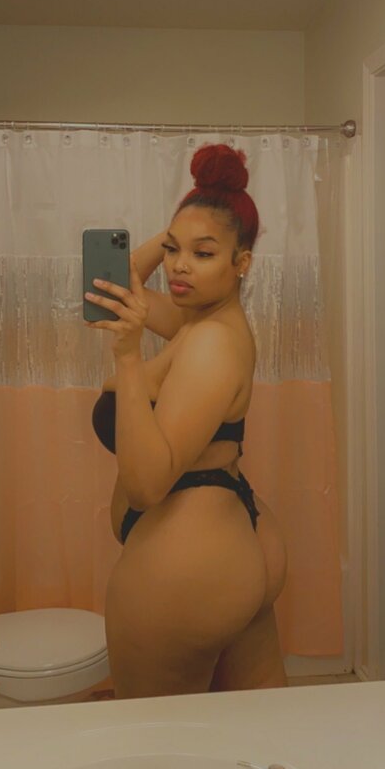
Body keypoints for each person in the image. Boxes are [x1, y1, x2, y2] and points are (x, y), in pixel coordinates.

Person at [85, 143, 288, 698]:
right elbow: (115, 283)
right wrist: (195, 218)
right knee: (259, 731)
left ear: (241, 262)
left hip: (189, 563)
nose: (178, 265)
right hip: (225, 540)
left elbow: (147, 486)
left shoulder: (211, 344)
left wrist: (128, 356)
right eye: (174, 250)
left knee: (155, 736)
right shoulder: (199, 319)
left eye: (204, 254)